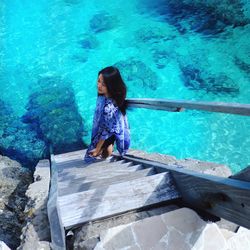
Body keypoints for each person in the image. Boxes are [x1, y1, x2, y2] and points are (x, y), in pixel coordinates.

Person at [84, 66, 130, 163]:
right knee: (108, 147)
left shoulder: (108, 108)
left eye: (103, 84)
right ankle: (107, 151)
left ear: (111, 86)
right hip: (113, 127)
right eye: (98, 81)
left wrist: (97, 149)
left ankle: (104, 154)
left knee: (92, 156)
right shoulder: (111, 96)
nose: (99, 85)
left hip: (107, 130)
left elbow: (105, 132)